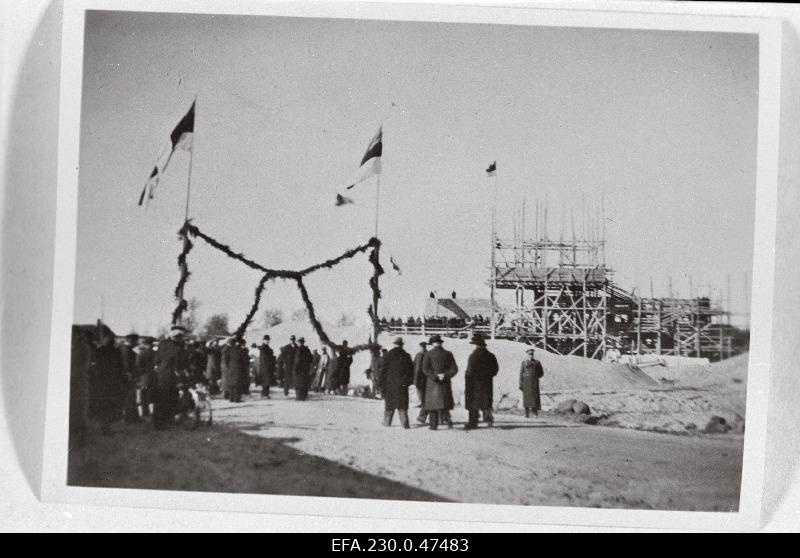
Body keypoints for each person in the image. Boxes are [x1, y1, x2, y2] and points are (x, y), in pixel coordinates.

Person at [153, 325, 187, 430]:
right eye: (180, 337)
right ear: (176, 337)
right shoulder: (177, 348)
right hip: (170, 376)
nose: (182, 339)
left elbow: (156, 360)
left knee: (162, 399)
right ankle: (165, 422)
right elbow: (178, 364)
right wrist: (182, 373)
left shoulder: (162, 344)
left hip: (161, 375)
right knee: (168, 399)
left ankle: (161, 422)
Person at [421, 335, 458, 430]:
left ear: (433, 344)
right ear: (441, 343)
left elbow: (425, 368)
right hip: (445, 382)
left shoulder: (428, 354)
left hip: (432, 383)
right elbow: (454, 369)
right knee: (444, 402)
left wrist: (434, 376)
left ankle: (433, 425)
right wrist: (445, 375)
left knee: (433, 405)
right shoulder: (448, 354)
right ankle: (447, 420)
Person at [464, 333, 499, 430]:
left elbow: (470, 371)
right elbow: (495, 369)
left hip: (475, 384)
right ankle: (489, 420)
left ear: (476, 345)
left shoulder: (473, 356)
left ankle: (473, 423)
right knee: (486, 402)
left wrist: (468, 379)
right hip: (487, 383)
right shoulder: (491, 356)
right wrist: (488, 376)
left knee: (473, 402)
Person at [92, 333, 125, 434]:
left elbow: (96, 365)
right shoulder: (116, 351)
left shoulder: (100, 351)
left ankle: (105, 427)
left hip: (103, 382)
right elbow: (120, 367)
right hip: (111, 382)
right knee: (110, 405)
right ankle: (107, 427)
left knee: (105, 405)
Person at [379, 337, 414, 428]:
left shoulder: (387, 355)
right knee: (402, 406)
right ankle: (405, 424)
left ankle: (387, 423)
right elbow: (411, 372)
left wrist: (380, 384)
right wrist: (406, 382)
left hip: (390, 384)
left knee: (389, 406)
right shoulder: (406, 356)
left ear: (394, 344)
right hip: (402, 385)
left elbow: (382, 371)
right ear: (402, 345)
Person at [69, 327, 92, 446]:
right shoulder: (68, 345)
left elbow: (84, 366)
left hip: (80, 383)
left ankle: (81, 439)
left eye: (74, 334)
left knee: (80, 410)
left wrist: (71, 373)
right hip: (71, 383)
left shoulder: (84, 348)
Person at [119, 333, 140, 423]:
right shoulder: (127, 350)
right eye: (136, 340)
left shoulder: (123, 348)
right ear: (131, 340)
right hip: (128, 376)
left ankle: (132, 417)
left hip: (126, 375)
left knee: (130, 396)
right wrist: (130, 374)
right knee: (130, 397)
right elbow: (127, 364)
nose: (137, 342)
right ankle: (130, 418)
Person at [519, 348, 544, 417]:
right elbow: (521, 374)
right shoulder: (524, 363)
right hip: (526, 383)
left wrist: (535, 377)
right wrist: (520, 383)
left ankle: (535, 413)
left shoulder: (537, 363)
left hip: (534, 383)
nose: (531, 356)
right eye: (529, 354)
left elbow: (541, 373)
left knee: (534, 398)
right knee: (526, 399)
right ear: (527, 355)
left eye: (532, 354)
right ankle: (526, 413)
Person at [135, 336, 155, 418]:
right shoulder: (155, 353)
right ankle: (152, 414)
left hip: (143, 378)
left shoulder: (141, 354)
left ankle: (141, 415)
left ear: (145, 344)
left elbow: (137, 366)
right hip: (153, 377)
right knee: (151, 397)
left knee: (140, 398)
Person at [224, 336, 247, 403]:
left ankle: (231, 398)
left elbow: (226, 360)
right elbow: (243, 360)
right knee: (238, 384)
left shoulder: (229, 350)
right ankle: (237, 398)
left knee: (232, 384)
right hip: (238, 368)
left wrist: (229, 366)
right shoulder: (239, 350)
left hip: (231, 368)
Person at [413, 341, 428, 424]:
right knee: (422, 398)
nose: (422, 348)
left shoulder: (428, 354)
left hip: (426, 380)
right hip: (418, 381)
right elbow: (414, 366)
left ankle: (423, 416)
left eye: (424, 347)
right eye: (421, 347)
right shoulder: (417, 355)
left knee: (425, 399)